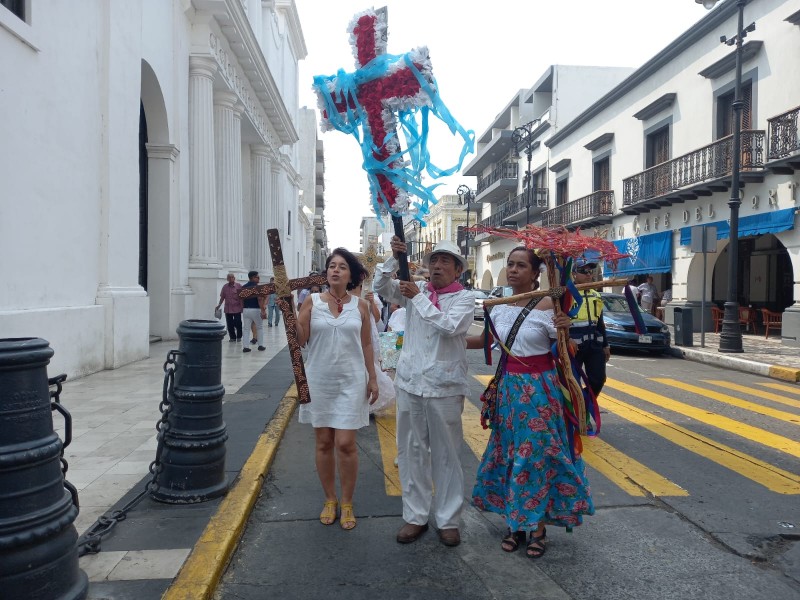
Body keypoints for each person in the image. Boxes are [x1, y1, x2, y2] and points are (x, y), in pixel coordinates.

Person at [466, 247, 593, 559]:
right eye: (510, 264)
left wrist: (564, 329)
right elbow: (485, 341)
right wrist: (440, 336)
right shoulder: (498, 306)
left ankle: (536, 528)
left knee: (534, 456)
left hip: (541, 392)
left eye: (521, 265)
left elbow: (568, 350)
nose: (513, 270)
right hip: (509, 393)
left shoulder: (551, 305)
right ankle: (515, 523)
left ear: (536, 273)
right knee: (511, 454)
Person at [374, 237, 474, 548]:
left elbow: (449, 326)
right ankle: (415, 516)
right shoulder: (414, 291)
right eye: (434, 261)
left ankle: (448, 520)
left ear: (457, 270)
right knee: (410, 453)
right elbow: (380, 286)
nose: (437, 266)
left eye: (446, 262)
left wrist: (417, 297)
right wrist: (393, 259)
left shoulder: (464, 298)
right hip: (410, 384)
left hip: (444, 387)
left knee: (446, 456)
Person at [295, 249, 379, 531]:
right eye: (332, 266)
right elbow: (301, 339)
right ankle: (330, 498)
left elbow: (366, 344)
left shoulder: (361, 306)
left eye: (342, 267)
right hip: (319, 378)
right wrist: (289, 313)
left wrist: (373, 378)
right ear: (326, 273)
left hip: (352, 380)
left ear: (350, 275)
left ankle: (347, 501)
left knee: (345, 443)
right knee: (323, 442)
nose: (335, 271)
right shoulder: (312, 301)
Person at [571, 259, 610, 397]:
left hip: (594, 345)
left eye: (590, 272)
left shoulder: (596, 294)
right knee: (572, 383)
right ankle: (576, 409)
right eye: (584, 271)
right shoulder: (567, 294)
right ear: (574, 273)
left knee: (598, 380)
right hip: (574, 347)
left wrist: (605, 345)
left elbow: (600, 322)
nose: (588, 275)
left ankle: (585, 404)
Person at [241, 271, 266, 353]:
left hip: (246, 309)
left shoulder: (243, 287)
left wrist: (243, 308)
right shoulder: (257, 287)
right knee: (259, 327)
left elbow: (241, 299)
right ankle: (260, 345)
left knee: (246, 329)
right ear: (253, 277)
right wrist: (263, 310)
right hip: (255, 309)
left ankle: (245, 347)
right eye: (257, 277)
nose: (259, 279)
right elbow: (259, 299)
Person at [216, 273, 243, 342]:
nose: (231, 279)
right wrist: (219, 305)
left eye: (232, 277)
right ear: (227, 279)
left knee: (238, 322)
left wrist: (243, 307)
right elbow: (222, 297)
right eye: (229, 277)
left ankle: (239, 336)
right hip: (228, 308)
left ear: (234, 278)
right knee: (229, 324)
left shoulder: (239, 286)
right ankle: (232, 337)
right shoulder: (225, 287)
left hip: (237, 308)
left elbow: (242, 297)